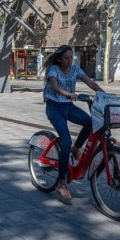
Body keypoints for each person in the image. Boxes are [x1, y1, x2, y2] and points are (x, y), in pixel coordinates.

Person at [42, 44, 104, 200]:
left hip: (68, 106)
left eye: (71, 58)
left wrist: (105, 95)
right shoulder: (54, 70)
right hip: (54, 108)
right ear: (59, 59)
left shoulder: (75, 69)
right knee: (66, 141)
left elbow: (90, 83)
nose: (70, 61)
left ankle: (76, 148)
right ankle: (61, 183)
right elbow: (55, 87)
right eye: (66, 58)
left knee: (90, 123)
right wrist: (68, 94)